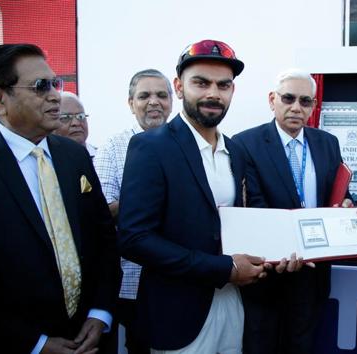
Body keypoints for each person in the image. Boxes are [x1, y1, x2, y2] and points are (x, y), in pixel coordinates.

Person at [117, 39, 270, 354]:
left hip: (232, 304)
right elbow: (134, 238)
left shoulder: (237, 150)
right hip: (177, 314)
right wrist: (221, 268)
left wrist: (277, 254)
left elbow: (239, 225)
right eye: (201, 83)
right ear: (179, 86)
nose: (214, 93)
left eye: (223, 85)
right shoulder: (151, 147)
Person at [0, 44, 120, 353]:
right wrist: (35, 343)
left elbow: (104, 241)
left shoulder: (74, 155)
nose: (54, 95)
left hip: (91, 339)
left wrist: (100, 313)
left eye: (55, 83)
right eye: (41, 86)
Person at [233, 68, 349, 354]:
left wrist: (347, 206)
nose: (297, 107)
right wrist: (282, 248)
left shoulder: (327, 143)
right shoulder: (245, 143)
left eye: (305, 101)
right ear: (272, 100)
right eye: (288, 98)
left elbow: (337, 192)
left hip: (313, 275)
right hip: (267, 276)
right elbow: (253, 206)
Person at [93, 68, 173, 354]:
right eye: (144, 95)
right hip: (133, 279)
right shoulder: (114, 147)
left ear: (172, 101)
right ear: (131, 104)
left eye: (161, 95)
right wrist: (155, 198)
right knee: (140, 346)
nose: (154, 102)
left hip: (183, 276)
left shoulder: (187, 145)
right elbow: (104, 211)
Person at [54, 91, 97, 157]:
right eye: (66, 117)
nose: (76, 123)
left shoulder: (101, 157)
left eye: (80, 116)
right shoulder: (46, 161)